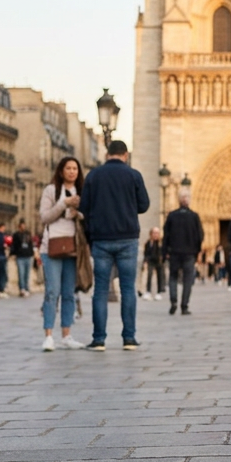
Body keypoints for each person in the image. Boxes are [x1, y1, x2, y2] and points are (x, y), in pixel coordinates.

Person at [78, 140, 151, 351]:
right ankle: (129, 338)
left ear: (107, 154)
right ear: (125, 155)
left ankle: (99, 339)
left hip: (101, 239)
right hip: (127, 237)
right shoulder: (134, 175)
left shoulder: (94, 175)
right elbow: (144, 205)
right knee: (128, 289)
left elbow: (84, 207)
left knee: (100, 290)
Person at [38, 156, 86, 351]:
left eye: (75, 168)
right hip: (51, 248)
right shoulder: (51, 190)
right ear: (61, 171)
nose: (72, 172)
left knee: (68, 293)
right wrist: (64, 203)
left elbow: (87, 218)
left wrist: (79, 214)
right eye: (68, 168)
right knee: (52, 292)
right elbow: (45, 217)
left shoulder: (82, 192)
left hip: (74, 248)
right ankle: (48, 335)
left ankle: (67, 335)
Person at [163, 194, 204, 315]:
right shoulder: (194, 216)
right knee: (187, 280)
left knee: (173, 278)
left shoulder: (171, 216)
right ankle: (184, 306)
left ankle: (173, 301)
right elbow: (200, 235)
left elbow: (166, 235)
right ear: (189, 202)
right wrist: (197, 251)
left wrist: (165, 251)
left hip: (174, 252)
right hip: (189, 253)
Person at [10, 220, 36, 298]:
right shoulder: (16, 235)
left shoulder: (28, 234)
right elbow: (13, 245)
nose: (23, 227)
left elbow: (31, 244)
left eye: (24, 225)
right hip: (20, 256)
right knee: (21, 273)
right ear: (19, 226)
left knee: (27, 274)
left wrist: (32, 253)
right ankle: (22, 289)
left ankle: (26, 288)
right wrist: (13, 253)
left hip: (28, 255)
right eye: (21, 226)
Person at [142, 227, 165, 300]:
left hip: (159, 262)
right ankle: (148, 291)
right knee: (149, 276)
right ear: (151, 234)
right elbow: (146, 253)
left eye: (157, 233)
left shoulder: (161, 243)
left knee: (160, 276)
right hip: (151, 261)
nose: (156, 235)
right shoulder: (148, 243)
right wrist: (145, 261)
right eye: (154, 233)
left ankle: (159, 292)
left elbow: (163, 252)